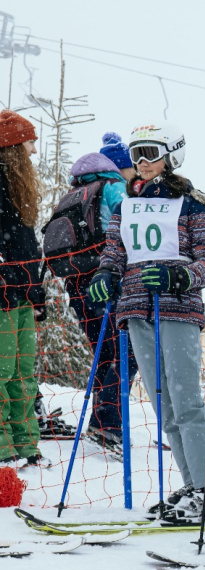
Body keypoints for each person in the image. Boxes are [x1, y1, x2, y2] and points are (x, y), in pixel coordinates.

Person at [86, 123, 205, 520]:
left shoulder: (193, 204)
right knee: (164, 405)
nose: (143, 162)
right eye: (137, 155)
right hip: (135, 308)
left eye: (152, 152)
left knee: (186, 401)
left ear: (172, 154)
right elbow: (113, 254)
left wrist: (181, 275)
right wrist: (105, 275)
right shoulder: (125, 206)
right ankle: (192, 486)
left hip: (176, 307)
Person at [43, 151, 138, 454]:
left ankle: (102, 421)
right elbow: (129, 229)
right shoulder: (111, 188)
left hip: (77, 285)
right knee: (128, 350)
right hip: (107, 279)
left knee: (104, 352)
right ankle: (108, 424)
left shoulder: (73, 194)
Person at [0, 109, 45, 466]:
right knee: (2, 371)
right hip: (2, 293)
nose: (33, 151)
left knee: (23, 371)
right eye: (29, 142)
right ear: (13, 146)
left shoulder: (19, 189)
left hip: (22, 293)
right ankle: (3, 448)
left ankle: (26, 444)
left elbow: (26, 245)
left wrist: (36, 289)